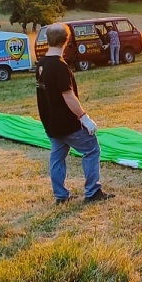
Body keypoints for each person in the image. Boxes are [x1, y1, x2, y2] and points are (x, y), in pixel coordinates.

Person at [35, 23, 113, 204]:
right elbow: (68, 96)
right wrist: (85, 118)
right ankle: (93, 192)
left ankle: (61, 196)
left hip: (51, 124)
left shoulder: (41, 64)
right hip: (67, 123)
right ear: (67, 40)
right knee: (92, 149)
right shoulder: (60, 66)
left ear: (47, 40)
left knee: (57, 157)